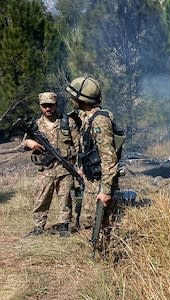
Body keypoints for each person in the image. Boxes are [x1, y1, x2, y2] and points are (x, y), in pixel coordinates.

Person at [65, 76, 119, 229]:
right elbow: (88, 148)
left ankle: (104, 252)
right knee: (88, 223)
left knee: (96, 225)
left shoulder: (99, 121)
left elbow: (109, 159)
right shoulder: (87, 119)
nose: (71, 99)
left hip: (99, 184)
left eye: (73, 96)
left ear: (82, 99)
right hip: (91, 181)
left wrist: (106, 191)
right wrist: (82, 167)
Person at [24, 92, 80, 237]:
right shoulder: (35, 125)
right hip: (45, 170)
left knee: (65, 199)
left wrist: (79, 167)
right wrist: (29, 143)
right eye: (44, 105)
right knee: (41, 199)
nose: (48, 108)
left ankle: (64, 226)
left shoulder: (67, 122)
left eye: (51, 105)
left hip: (65, 169)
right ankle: (38, 227)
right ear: (40, 106)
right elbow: (24, 142)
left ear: (56, 105)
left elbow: (79, 145)